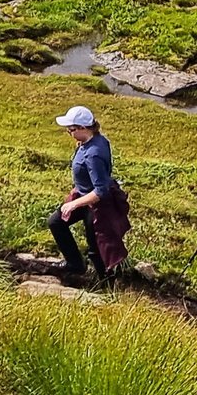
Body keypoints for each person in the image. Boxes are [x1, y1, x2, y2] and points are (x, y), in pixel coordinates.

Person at [47, 105, 131, 278]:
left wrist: (73, 204)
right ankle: (75, 263)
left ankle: (107, 286)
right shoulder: (96, 140)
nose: (68, 133)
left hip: (96, 205)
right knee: (56, 222)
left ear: (83, 128)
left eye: (71, 129)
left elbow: (100, 191)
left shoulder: (93, 154)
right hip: (85, 197)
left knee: (97, 249)